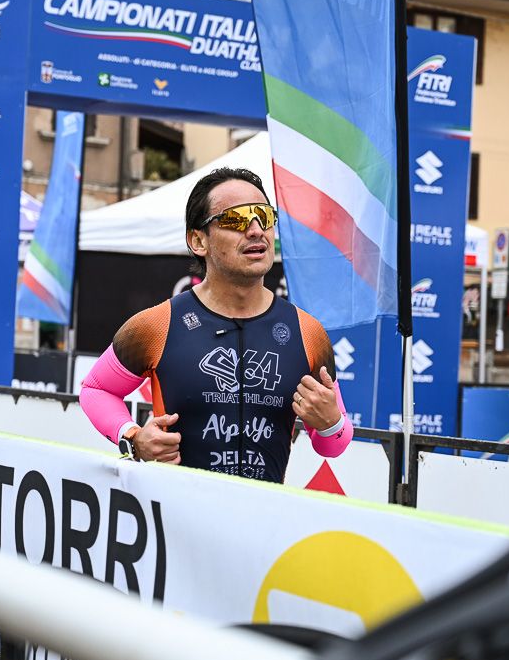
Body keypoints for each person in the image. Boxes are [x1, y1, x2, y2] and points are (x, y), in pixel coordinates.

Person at [79, 167, 353, 483]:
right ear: (198, 240)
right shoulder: (157, 325)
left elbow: (333, 445)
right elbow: (96, 389)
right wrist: (132, 436)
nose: (255, 230)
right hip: (177, 509)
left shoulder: (308, 332)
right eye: (236, 220)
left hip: (264, 511)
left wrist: (331, 423)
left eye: (264, 217)